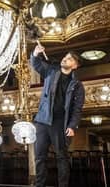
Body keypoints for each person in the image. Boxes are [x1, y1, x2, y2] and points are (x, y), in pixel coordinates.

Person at [30, 45, 85, 187]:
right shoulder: (51, 71)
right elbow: (36, 64)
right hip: (42, 120)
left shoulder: (77, 85)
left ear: (75, 66)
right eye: (65, 57)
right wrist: (36, 53)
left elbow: (77, 108)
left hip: (60, 122)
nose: (65, 59)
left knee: (62, 156)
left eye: (70, 59)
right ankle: (39, 185)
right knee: (39, 156)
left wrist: (72, 125)